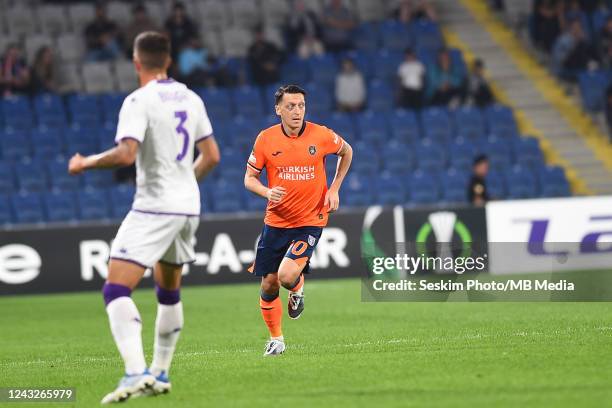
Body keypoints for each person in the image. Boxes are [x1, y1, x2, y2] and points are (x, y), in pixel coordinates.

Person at [67, 31, 220, 403]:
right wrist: (184, 182)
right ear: (168, 60)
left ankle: (135, 373)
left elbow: (125, 154)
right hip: (188, 207)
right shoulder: (191, 97)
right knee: (168, 292)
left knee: (115, 288)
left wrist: (85, 162)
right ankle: (161, 373)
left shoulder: (138, 100)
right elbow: (212, 155)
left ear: (136, 63)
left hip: (154, 206)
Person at [244, 85, 353, 356]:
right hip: (276, 221)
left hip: (310, 219)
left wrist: (335, 188)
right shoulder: (265, 139)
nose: (297, 111)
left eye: (301, 105)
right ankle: (276, 339)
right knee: (269, 283)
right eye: (290, 106)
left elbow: (347, 151)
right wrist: (268, 192)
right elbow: (249, 179)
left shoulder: (322, 134)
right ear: (278, 109)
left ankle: (298, 288)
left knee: (287, 275)